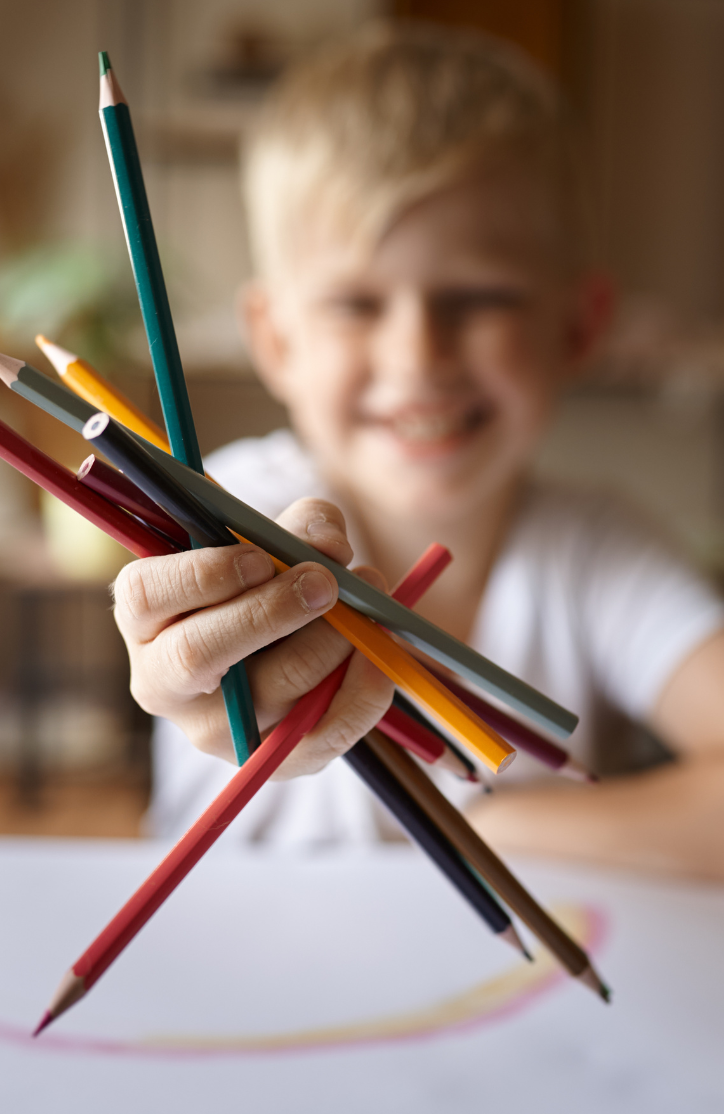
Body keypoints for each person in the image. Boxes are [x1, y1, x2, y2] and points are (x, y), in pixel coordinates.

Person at [113, 22, 724, 874]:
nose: (418, 357)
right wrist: (182, 660)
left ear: (578, 328)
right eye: (357, 304)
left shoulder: (596, 552)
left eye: (478, 297)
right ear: (276, 339)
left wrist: (481, 832)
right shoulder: (237, 506)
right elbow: (182, 657)